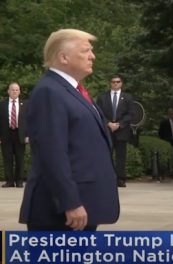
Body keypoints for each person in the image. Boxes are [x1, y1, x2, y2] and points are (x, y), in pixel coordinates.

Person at [19, 29, 120, 231]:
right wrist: (70, 202)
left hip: (81, 206)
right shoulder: (49, 91)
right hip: (61, 213)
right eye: (86, 51)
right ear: (63, 57)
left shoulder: (71, 90)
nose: (93, 56)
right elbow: (52, 152)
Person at [96, 74, 134, 188]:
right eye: (113, 82)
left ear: (121, 83)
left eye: (117, 82)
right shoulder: (103, 97)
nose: (115, 83)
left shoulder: (127, 97)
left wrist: (119, 124)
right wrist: (108, 123)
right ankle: (108, 177)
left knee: (121, 156)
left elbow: (130, 114)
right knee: (107, 154)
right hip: (107, 130)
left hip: (121, 130)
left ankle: (120, 178)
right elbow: (99, 112)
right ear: (110, 83)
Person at [0, 82, 28, 188]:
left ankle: (19, 181)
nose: (15, 91)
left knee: (20, 158)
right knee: (7, 158)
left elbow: (28, 121)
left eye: (17, 90)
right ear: (8, 91)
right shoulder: (2, 104)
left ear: (19, 91)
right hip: (6, 134)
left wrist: (27, 135)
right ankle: (9, 181)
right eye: (13, 90)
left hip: (20, 134)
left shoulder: (25, 104)